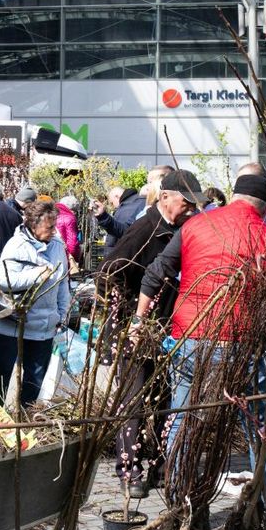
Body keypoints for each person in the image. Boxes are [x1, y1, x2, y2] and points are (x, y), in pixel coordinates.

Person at [136, 173, 266, 504]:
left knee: (183, 419)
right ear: (264, 209)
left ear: (234, 197)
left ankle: (178, 500)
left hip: (190, 335)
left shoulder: (195, 225)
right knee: (261, 427)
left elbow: (156, 271)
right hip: (241, 341)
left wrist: (138, 320)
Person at [97, 170, 202, 498]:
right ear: (165, 197)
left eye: (194, 204)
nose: (191, 209)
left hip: (167, 328)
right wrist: (130, 315)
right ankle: (129, 471)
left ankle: (158, 466)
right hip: (136, 329)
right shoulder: (145, 228)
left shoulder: (182, 229)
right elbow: (107, 273)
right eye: (186, 203)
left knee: (163, 399)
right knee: (133, 400)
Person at [0, 199, 70, 411]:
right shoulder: (16, 245)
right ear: (33, 225)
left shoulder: (57, 247)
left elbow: (62, 284)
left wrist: (62, 314)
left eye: (54, 225)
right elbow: (2, 279)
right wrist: (37, 274)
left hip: (43, 326)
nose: (54, 231)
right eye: (49, 226)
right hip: (11, 325)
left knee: (34, 381)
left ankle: (24, 421)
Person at [56, 195, 81, 263]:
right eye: (75, 210)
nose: (75, 213)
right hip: (64, 256)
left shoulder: (52, 214)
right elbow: (72, 243)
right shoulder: (70, 218)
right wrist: (75, 258)